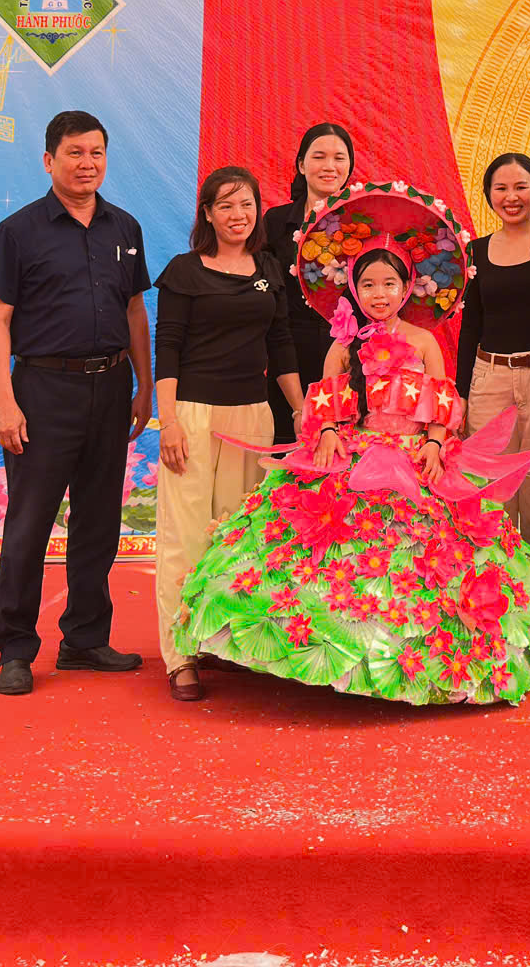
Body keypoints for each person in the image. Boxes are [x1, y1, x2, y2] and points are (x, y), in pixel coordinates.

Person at [173, 184, 530, 704]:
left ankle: (410, 655)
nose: (379, 294)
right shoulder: (342, 344)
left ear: (407, 288)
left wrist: (435, 442)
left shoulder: (425, 341)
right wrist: (328, 432)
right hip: (354, 455)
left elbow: (442, 402)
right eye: (368, 284)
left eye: (389, 283)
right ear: (353, 290)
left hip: (416, 458)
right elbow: (325, 403)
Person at [0, 110, 153, 698]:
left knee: (98, 522)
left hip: (111, 388)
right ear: (49, 160)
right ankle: (15, 648)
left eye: (96, 153)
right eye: (75, 153)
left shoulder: (124, 227)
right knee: (29, 525)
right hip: (43, 393)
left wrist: (144, 386)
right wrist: (5, 403)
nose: (87, 164)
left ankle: (85, 638)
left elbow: (135, 311)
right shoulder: (18, 232)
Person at [150, 165, 308, 703]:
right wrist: (169, 420)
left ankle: (224, 642)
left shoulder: (269, 268)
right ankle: (181, 656)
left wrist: (300, 409)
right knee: (186, 535)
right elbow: (168, 346)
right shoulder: (184, 271)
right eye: (226, 205)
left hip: (253, 417)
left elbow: (281, 344)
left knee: (239, 535)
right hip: (193, 416)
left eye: (246, 205)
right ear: (207, 214)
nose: (238, 215)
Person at [458, 151, 530, 556]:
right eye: (501, 188)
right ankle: (490, 583)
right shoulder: (475, 252)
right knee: (489, 491)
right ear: (488, 195)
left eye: (521, 187)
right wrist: (461, 394)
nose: (511, 196)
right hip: (490, 380)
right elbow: (470, 327)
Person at [262, 122, 356, 448]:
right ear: (301, 165)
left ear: (349, 167)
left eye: (339, 158)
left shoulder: (363, 221)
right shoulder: (275, 222)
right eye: (319, 157)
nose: (329, 166)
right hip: (287, 359)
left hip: (348, 359)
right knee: (284, 458)